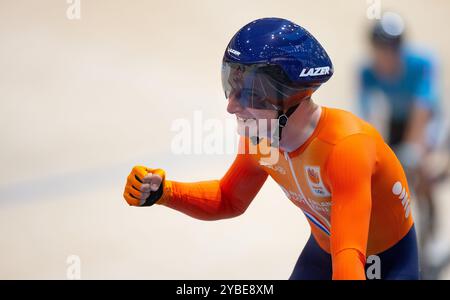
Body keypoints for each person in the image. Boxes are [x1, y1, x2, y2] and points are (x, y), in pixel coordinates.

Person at [124, 17, 419, 280]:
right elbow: (228, 198)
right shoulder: (261, 141)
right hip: (327, 250)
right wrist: (165, 192)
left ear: (291, 98)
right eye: (231, 87)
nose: (230, 106)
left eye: (250, 94)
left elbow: (348, 257)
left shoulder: (346, 148)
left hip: (386, 262)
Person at [358, 12, 449, 279]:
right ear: (373, 49)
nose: (388, 55)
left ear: (402, 47)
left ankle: (429, 241)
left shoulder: (422, 62)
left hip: (430, 120)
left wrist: (415, 150)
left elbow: (424, 107)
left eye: (393, 48)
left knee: (422, 177)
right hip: (398, 122)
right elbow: (366, 115)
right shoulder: (366, 71)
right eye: (381, 49)